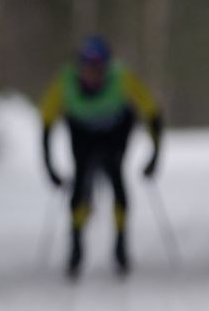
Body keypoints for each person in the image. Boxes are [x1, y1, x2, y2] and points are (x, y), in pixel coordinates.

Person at [40, 35, 163, 277]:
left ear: (107, 66)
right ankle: (75, 245)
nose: (92, 73)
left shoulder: (121, 78)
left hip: (115, 133)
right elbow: (46, 123)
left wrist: (154, 158)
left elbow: (152, 113)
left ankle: (120, 246)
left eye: (98, 67)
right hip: (82, 133)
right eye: (87, 66)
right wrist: (50, 168)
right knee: (81, 180)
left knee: (115, 176)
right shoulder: (66, 82)